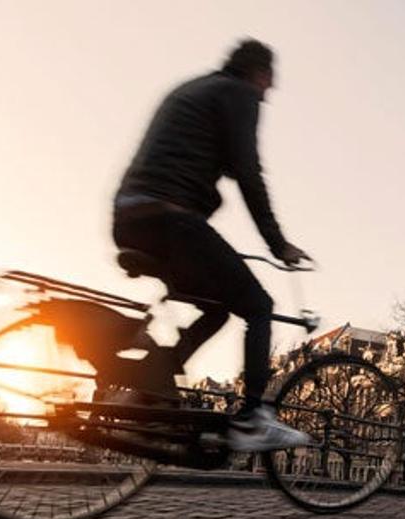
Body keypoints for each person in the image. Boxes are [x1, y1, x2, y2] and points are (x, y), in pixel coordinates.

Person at [113, 39, 311, 451]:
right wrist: (278, 244)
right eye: (269, 83)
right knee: (258, 305)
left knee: (218, 308)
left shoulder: (195, 88)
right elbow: (248, 172)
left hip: (131, 217)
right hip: (170, 217)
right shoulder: (238, 93)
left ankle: (146, 389)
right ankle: (254, 419)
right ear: (261, 74)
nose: (269, 93)